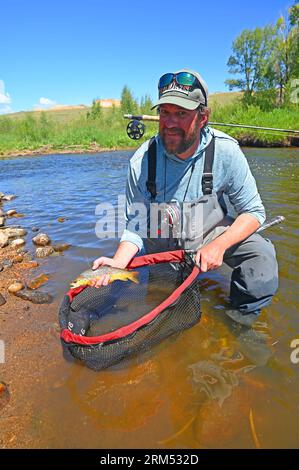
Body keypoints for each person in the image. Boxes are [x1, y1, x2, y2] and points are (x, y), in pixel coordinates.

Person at [92, 69, 278, 326]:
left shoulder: (226, 152)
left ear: (203, 117)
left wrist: (219, 246)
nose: (170, 123)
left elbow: (254, 212)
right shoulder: (141, 161)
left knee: (262, 257)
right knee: (162, 302)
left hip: (210, 232)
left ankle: (239, 323)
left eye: (181, 113)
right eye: (165, 113)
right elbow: (135, 226)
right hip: (163, 240)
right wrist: (118, 262)